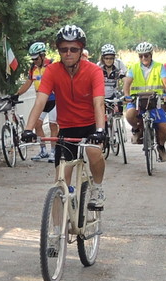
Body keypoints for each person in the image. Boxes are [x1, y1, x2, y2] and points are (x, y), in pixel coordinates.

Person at [23, 24, 108, 208]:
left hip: (92, 124)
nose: (68, 53)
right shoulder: (52, 71)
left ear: (81, 50)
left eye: (73, 49)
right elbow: (40, 101)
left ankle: (98, 188)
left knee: (94, 151)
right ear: (58, 50)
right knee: (60, 182)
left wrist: (100, 130)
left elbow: (98, 103)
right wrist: (28, 129)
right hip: (68, 127)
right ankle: (56, 232)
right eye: (63, 49)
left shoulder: (93, 71)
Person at [125, 41, 166, 162]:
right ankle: (137, 130)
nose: (143, 58)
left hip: (154, 101)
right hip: (137, 100)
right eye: (141, 56)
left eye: (146, 55)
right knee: (130, 115)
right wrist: (126, 95)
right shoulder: (133, 67)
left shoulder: (159, 67)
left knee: (164, 127)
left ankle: (160, 146)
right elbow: (127, 83)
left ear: (151, 55)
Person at [23, 40, 56, 157]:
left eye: (36, 58)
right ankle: (43, 150)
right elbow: (28, 83)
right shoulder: (33, 68)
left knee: (53, 125)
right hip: (41, 101)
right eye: (32, 59)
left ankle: (53, 151)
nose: (34, 61)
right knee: (37, 124)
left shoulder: (52, 65)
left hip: (54, 100)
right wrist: (16, 94)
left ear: (42, 55)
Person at [99, 44, 130, 132]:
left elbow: (125, 80)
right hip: (102, 95)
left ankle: (117, 130)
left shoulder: (118, 66)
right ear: (103, 58)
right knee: (101, 118)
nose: (109, 60)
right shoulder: (98, 67)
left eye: (111, 58)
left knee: (117, 109)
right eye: (106, 58)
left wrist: (126, 94)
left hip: (113, 94)